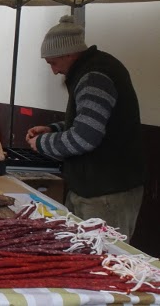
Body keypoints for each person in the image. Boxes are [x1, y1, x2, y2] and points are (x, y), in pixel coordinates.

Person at [26, 15, 144, 238]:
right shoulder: (91, 70)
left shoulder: (94, 76)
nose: (54, 71)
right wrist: (54, 129)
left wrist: (41, 143)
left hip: (107, 193)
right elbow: (95, 123)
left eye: (53, 62)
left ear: (69, 54)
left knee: (104, 260)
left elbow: (85, 137)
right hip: (95, 188)